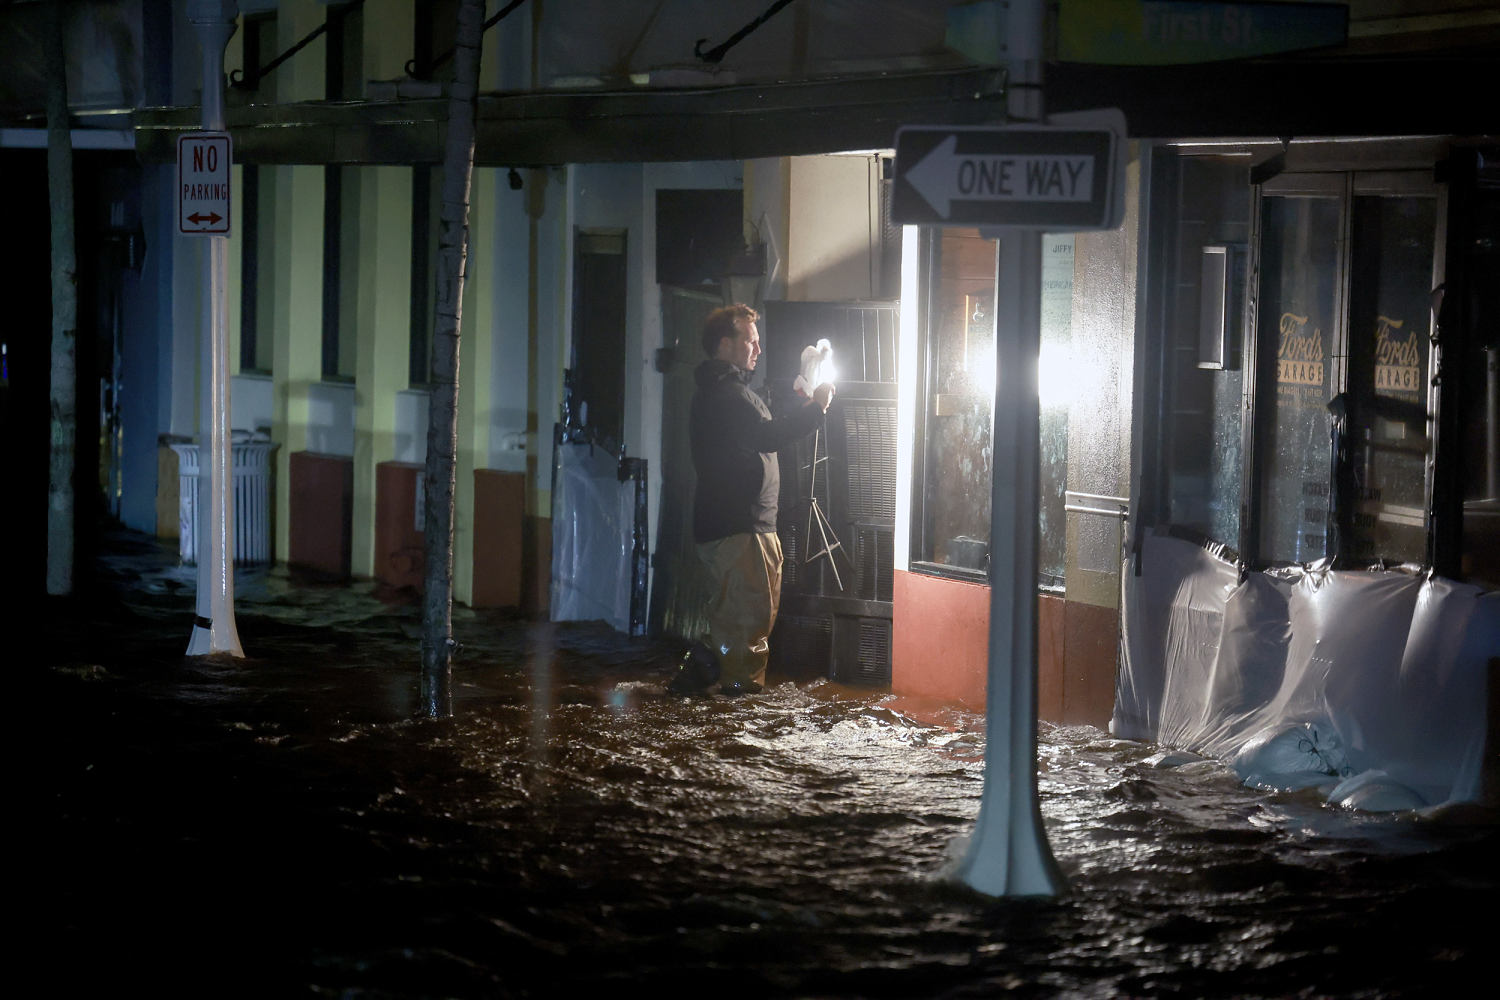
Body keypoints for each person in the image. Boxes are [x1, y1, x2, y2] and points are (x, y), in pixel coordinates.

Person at [670, 303, 835, 695]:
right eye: (751, 340)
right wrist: (816, 408)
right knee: (747, 626)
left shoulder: (729, 393)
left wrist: (801, 400)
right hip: (739, 529)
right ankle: (738, 722)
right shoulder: (725, 395)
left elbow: (763, 425)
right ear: (726, 344)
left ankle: (689, 689)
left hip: (745, 527)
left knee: (736, 619)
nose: (758, 349)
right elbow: (768, 435)